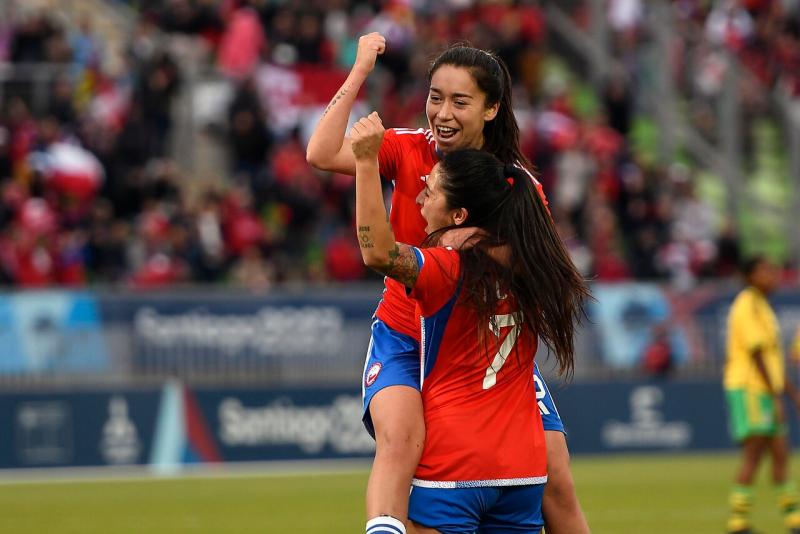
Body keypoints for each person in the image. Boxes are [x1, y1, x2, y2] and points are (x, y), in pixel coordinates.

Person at [307, 34, 589, 534]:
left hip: (479, 345)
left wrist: (467, 242)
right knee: (401, 442)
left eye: (460, 101)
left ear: (491, 109)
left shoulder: (515, 186)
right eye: (435, 97)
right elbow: (321, 152)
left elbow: (542, 261)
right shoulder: (408, 148)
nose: (442, 113)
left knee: (556, 473)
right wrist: (359, 71)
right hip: (405, 335)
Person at [724, 256, 800, 534]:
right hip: (751, 389)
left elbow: (772, 361)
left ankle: (794, 519)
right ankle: (737, 521)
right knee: (754, 455)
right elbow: (756, 354)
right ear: (750, 276)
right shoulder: (747, 304)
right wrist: (776, 396)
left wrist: (792, 394)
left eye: (773, 270)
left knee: (781, 454)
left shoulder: (763, 306)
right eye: (765, 271)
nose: (772, 276)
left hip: (766, 390)